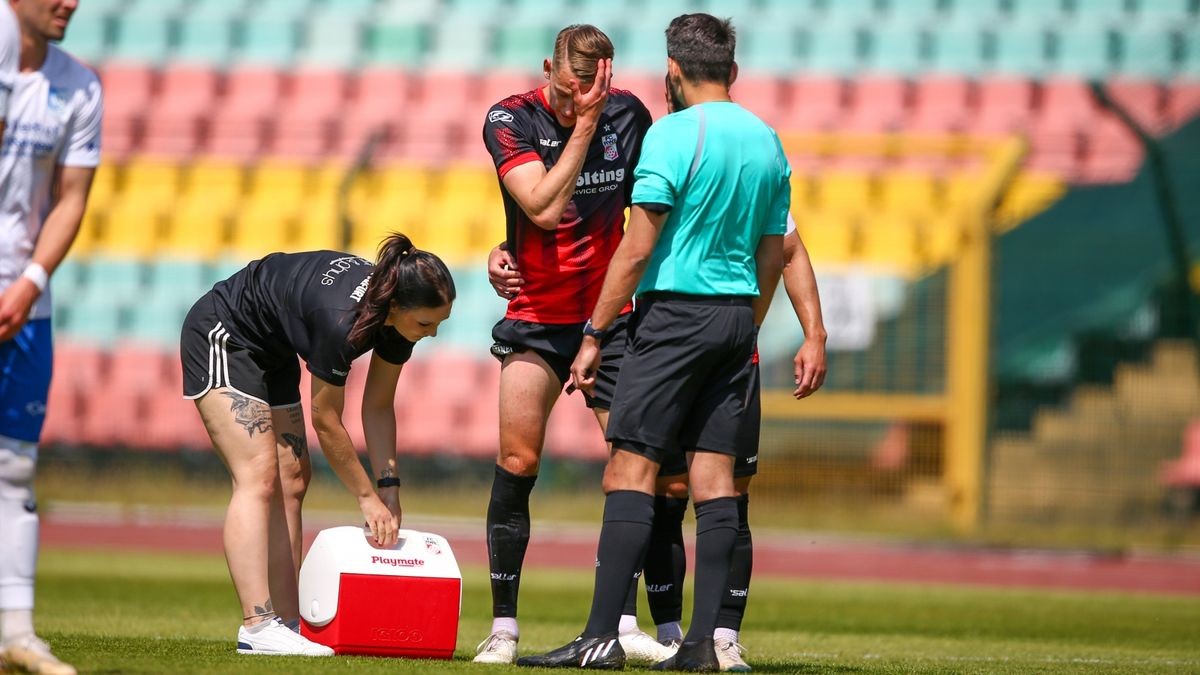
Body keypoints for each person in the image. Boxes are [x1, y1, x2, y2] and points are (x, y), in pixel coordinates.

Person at [519, 13, 790, 670]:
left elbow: (636, 250)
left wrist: (594, 333)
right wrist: (744, 323)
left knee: (629, 470)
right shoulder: (766, 140)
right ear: (733, 72)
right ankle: (700, 643)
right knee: (715, 479)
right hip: (734, 318)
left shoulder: (671, 135)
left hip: (672, 317)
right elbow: (775, 251)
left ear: (672, 73)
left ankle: (598, 640)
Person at [474, 24, 662, 666]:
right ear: (548, 66)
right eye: (565, 88)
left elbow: (654, 212)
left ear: (606, 80)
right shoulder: (510, 118)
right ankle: (503, 628)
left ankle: (625, 622)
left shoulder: (630, 115)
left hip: (610, 322)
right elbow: (543, 210)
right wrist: (582, 124)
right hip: (534, 317)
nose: (573, 102)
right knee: (517, 461)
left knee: (636, 471)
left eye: (587, 93)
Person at [179, 234, 455, 656]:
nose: (432, 334)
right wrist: (366, 498)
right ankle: (257, 625)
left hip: (273, 349)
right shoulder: (341, 320)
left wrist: (389, 489)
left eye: (439, 324)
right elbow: (325, 420)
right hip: (225, 333)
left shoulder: (398, 323)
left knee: (292, 479)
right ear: (396, 305)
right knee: (258, 476)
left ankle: (286, 627)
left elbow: (378, 407)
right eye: (426, 323)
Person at [640, 215, 827, 672]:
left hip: (732, 354)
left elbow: (791, 248)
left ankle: (724, 637)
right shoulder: (658, 156)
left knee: (731, 493)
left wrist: (815, 333)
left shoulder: (754, 167)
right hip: (663, 347)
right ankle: (669, 635)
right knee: (667, 490)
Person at [0, 1, 100, 673]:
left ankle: (16, 630)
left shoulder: (80, 84)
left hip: (23, 305)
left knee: (14, 469)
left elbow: (71, 196)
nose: (69, 2)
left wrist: (30, 281)